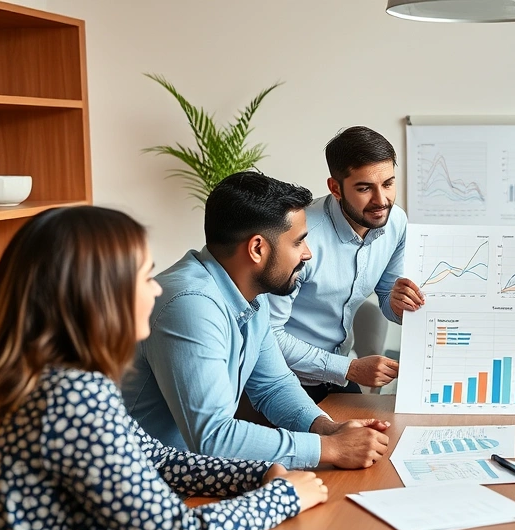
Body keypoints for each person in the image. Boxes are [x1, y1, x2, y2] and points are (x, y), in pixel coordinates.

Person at [0, 206, 329, 530]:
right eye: (145, 276)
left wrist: (257, 474)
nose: (157, 288)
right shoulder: (73, 397)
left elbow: (157, 460)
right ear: (99, 295)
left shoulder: (42, 379)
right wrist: (284, 497)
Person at [123, 171, 390, 471]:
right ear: (257, 249)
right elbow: (213, 437)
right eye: (298, 242)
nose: (307, 254)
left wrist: (328, 429)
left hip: (196, 473)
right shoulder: (189, 304)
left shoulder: (250, 292)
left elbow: (274, 385)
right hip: (149, 481)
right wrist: (329, 448)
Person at [269, 126, 424, 404]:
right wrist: (349, 368)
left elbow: (387, 296)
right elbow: (268, 336)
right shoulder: (299, 236)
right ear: (335, 188)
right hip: (283, 379)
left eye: (388, 184)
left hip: (337, 374)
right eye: (364, 188)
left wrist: (399, 304)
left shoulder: (397, 222)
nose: (381, 201)